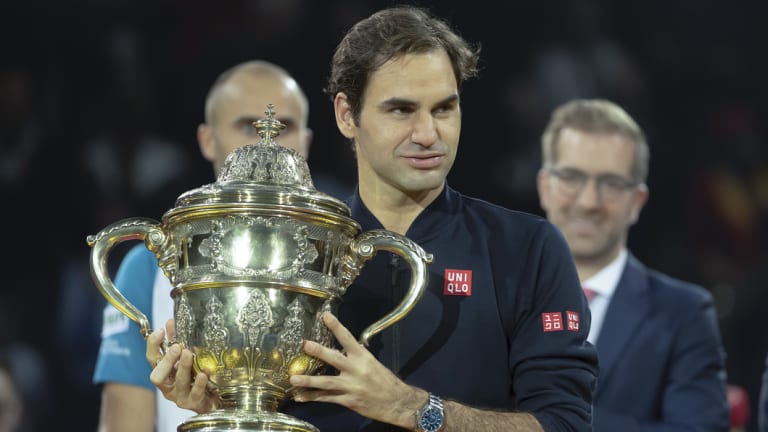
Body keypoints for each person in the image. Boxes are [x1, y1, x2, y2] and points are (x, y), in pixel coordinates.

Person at [147, 6, 598, 431]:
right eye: (401, 110)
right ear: (347, 115)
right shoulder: (297, 249)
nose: (428, 134)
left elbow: (565, 424)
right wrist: (229, 407)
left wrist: (414, 409)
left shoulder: (527, 248)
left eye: (444, 108)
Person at [92, 60, 324, 432]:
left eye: (287, 127)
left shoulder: (336, 263)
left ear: (306, 143)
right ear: (207, 140)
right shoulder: (149, 267)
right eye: (246, 126)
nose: (267, 140)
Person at [536, 98, 730, 430]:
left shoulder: (684, 313)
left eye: (611, 184)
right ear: (545, 186)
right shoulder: (494, 296)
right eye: (571, 177)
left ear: (636, 201)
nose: (589, 202)